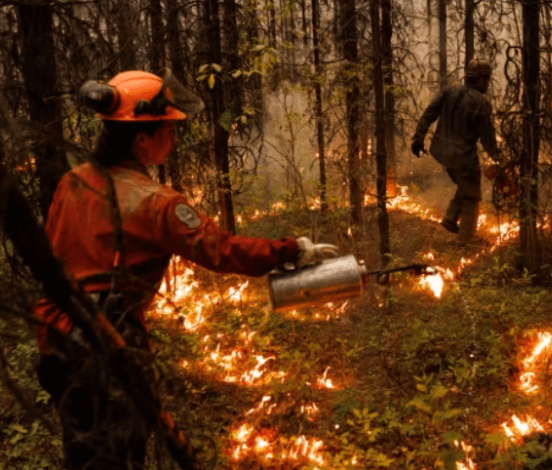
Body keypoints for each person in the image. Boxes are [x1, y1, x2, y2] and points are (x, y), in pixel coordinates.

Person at [33, 69, 335, 470]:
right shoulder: (156, 203)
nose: (174, 140)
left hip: (54, 348)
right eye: (169, 131)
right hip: (107, 355)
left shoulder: (72, 182)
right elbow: (222, 251)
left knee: (83, 454)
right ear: (142, 139)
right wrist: (292, 250)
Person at [411, 57, 498, 244]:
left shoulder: (449, 91)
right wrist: (500, 159)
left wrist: (419, 135)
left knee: (465, 185)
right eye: (487, 79)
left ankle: (450, 219)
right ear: (482, 79)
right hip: (463, 156)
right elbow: (488, 139)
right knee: (473, 196)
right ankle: (465, 240)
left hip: (441, 152)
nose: (487, 83)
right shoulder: (481, 103)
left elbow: (430, 112)